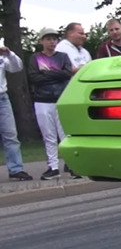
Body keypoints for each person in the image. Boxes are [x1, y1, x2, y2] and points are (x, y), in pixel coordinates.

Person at [28, 28, 75, 180]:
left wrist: (46, 73)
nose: (52, 42)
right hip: (42, 100)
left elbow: (67, 73)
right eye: (48, 39)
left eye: (54, 39)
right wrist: (56, 74)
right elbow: (34, 78)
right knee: (48, 135)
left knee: (64, 134)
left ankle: (71, 165)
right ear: (42, 41)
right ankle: (53, 167)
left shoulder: (62, 57)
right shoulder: (36, 58)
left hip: (60, 99)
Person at [0, 42, 32, 181]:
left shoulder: (2, 56)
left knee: (10, 135)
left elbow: (17, 67)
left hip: (2, 98)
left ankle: (16, 169)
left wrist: (9, 54)